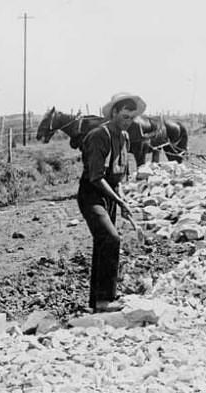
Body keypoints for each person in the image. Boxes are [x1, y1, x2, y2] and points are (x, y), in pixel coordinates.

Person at [78, 92, 146, 312]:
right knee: (111, 238)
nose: (128, 121)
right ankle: (104, 300)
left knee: (103, 244)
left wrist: (121, 200)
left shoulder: (124, 137)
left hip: (110, 195)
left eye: (131, 118)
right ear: (114, 113)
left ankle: (97, 302)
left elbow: (118, 175)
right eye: (124, 116)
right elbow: (96, 177)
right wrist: (118, 200)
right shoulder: (99, 135)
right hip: (92, 195)